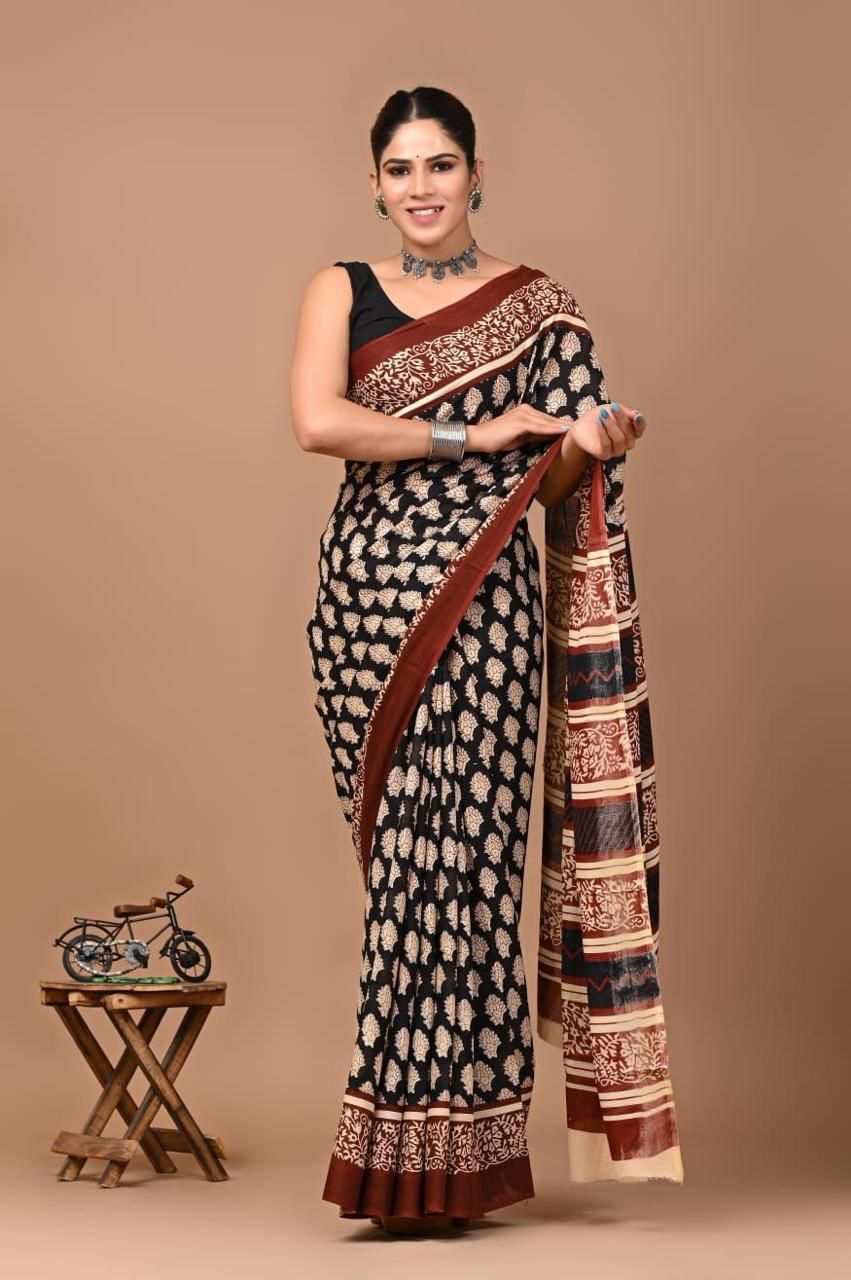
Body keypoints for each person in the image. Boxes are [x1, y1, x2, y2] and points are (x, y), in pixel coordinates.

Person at [290, 85, 684, 1235]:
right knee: (412, 865)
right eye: (400, 168)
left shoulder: (539, 308)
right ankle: (418, 1158)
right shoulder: (340, 290)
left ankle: (440, 1167)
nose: (420, 188)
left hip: (487, 602)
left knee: (459, 864)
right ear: (374, 182)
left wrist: (587, 445)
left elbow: (550, 482)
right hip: (366, 599)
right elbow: (317, 421)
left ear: (475, 174)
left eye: (441, 164)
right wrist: (475, 432)